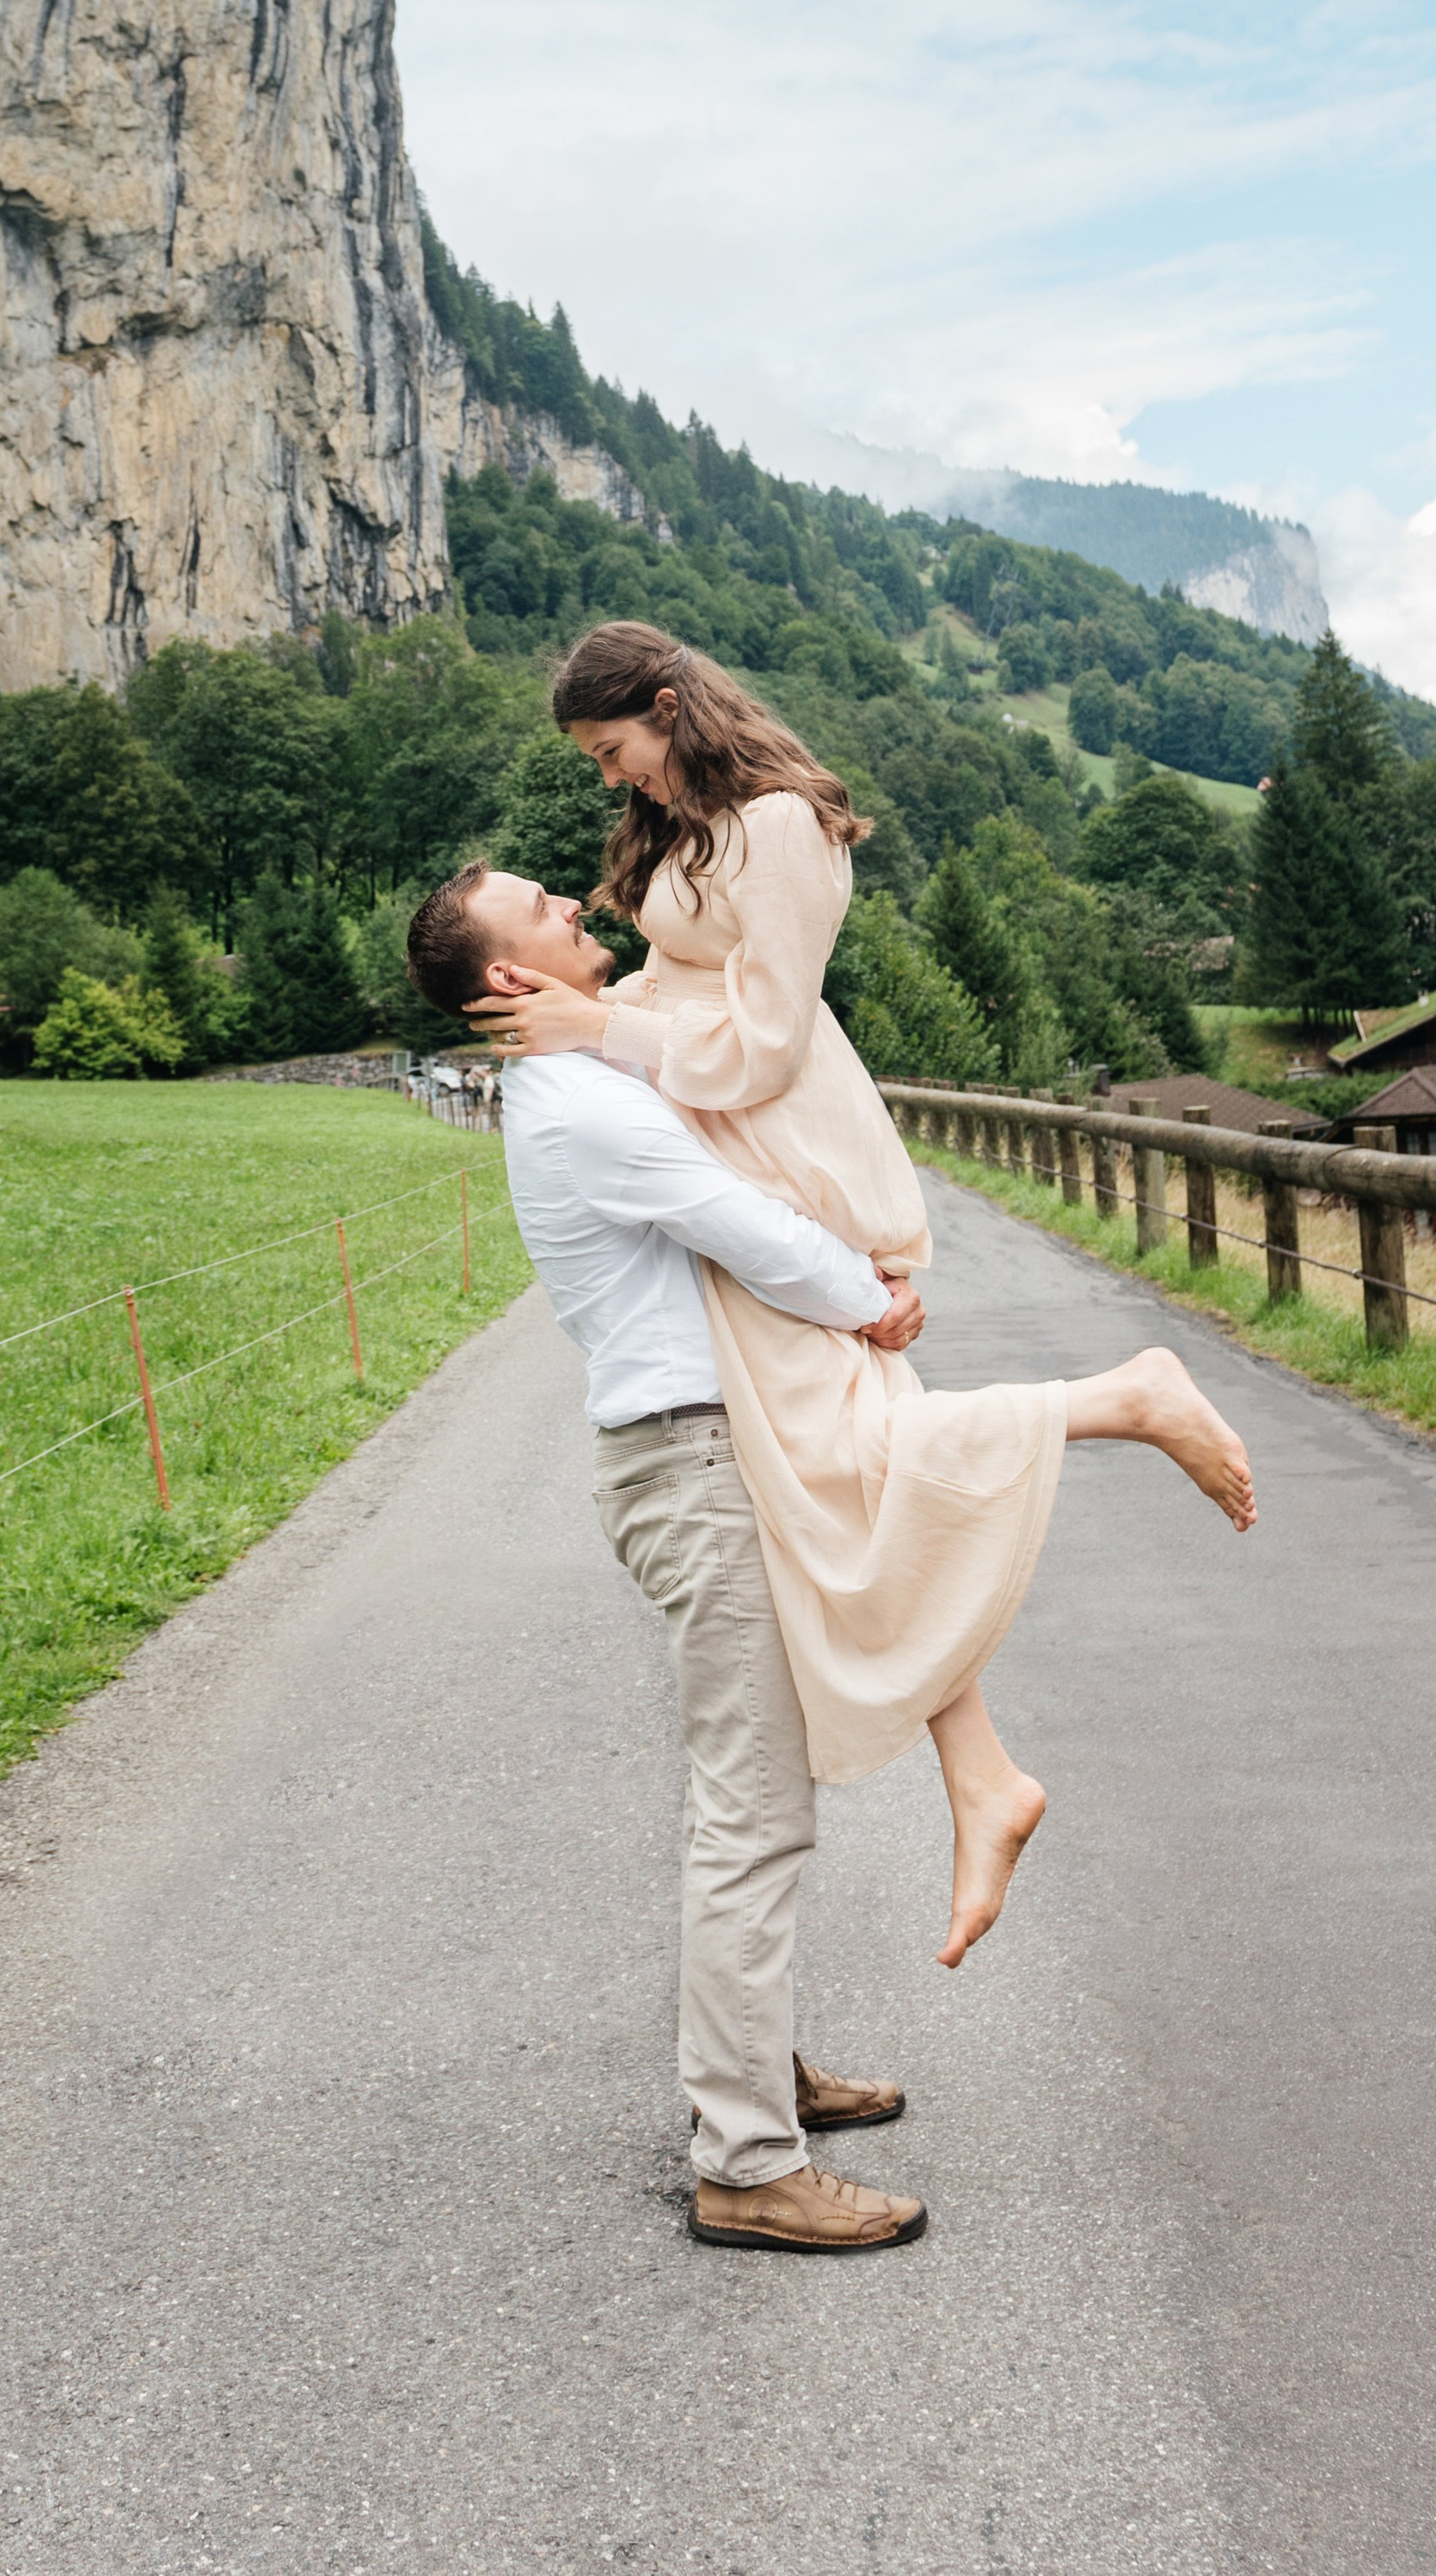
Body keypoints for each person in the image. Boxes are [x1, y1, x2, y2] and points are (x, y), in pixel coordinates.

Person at [404, 861, 1258, 2257]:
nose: (574, 906)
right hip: (695, 1466)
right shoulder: (573, 1103)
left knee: (857, 1622)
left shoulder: (592, 1066)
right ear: (508, 978)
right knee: (755, 1812)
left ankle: (755, 2066)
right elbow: (734, 1221)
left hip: (717, 1447)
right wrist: (872, 1302)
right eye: (546, 908)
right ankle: (745, 2157)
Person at [465, 622, 1255, 1970]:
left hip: (782, 1136)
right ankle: (982, 1776)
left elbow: (767, 1041)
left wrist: (600, 1029)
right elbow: (683, 989)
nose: (610, 783)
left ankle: (1125, 1398)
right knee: (840, 1478)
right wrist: (594, 1015)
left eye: (615, 750)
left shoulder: (779, 827)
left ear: (669, 707)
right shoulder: (689, 831)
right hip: (726, 1132)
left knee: (851, 1457)